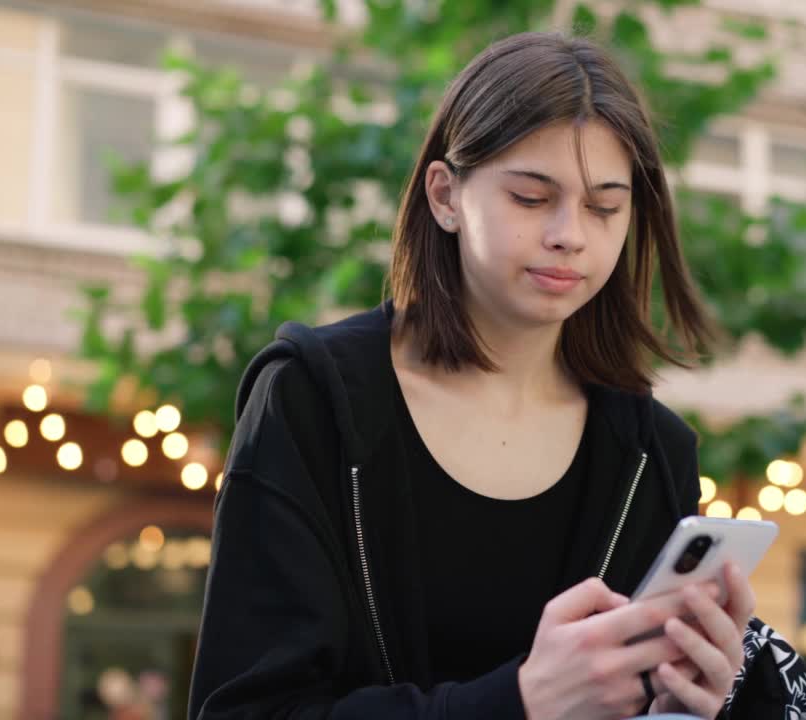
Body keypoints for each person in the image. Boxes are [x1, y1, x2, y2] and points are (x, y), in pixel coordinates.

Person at [187, 31, 758, 720]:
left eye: (605, 206)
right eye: (529, 197)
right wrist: (518, 702)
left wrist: (694, 702)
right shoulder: (313, 400)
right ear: (445, 195)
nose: (570, 234)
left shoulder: (651, 452)